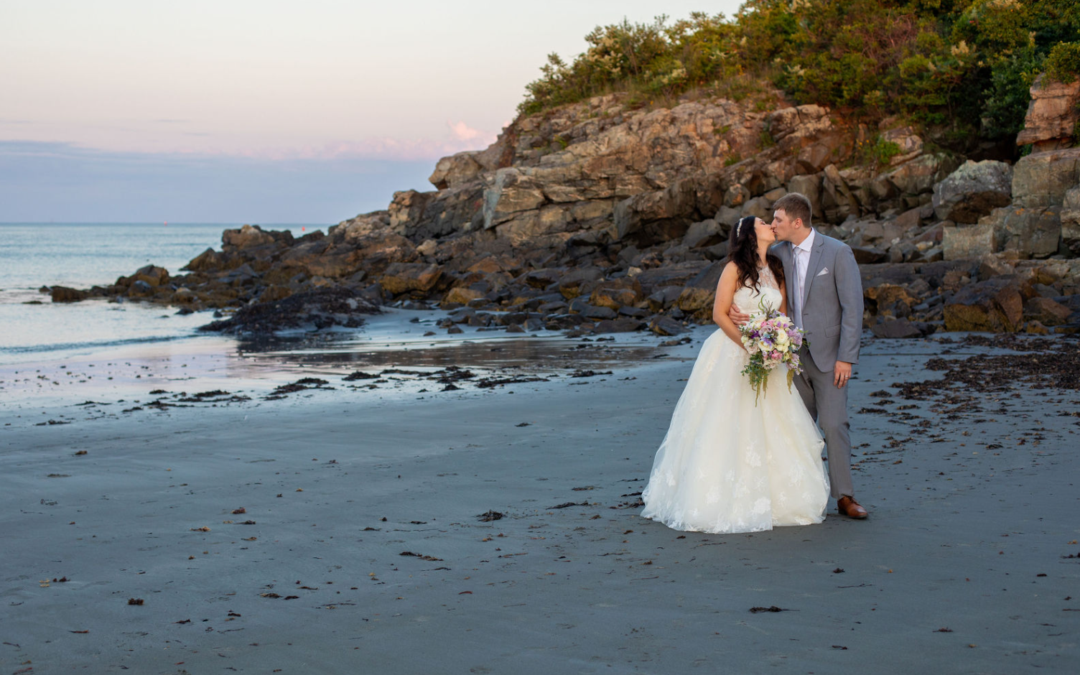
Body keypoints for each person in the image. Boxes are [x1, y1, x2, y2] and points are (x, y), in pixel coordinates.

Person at [640, 215, 830, 534]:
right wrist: (748, 342)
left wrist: (776, 338)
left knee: (774, 423)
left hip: (767, 356)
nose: (771, 225)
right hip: (733, 352)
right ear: (748, 234)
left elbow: (782, 315)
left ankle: (778, 498)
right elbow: (718, 313)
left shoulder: (776, 269)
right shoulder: (734, 269)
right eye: (763, 223)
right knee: (727, 421)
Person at [730, 193, 867, 519]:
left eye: (776, 219)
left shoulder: (837, 253)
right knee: (795, 428)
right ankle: (802, 495)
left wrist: (846, 357)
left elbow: (854, 308)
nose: (772, 224)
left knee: (834, 425)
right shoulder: (776, 255)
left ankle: (845, 497)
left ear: (796, 221)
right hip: (787, 356)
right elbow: (763, 296)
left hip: (830, 357)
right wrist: (745, 317)